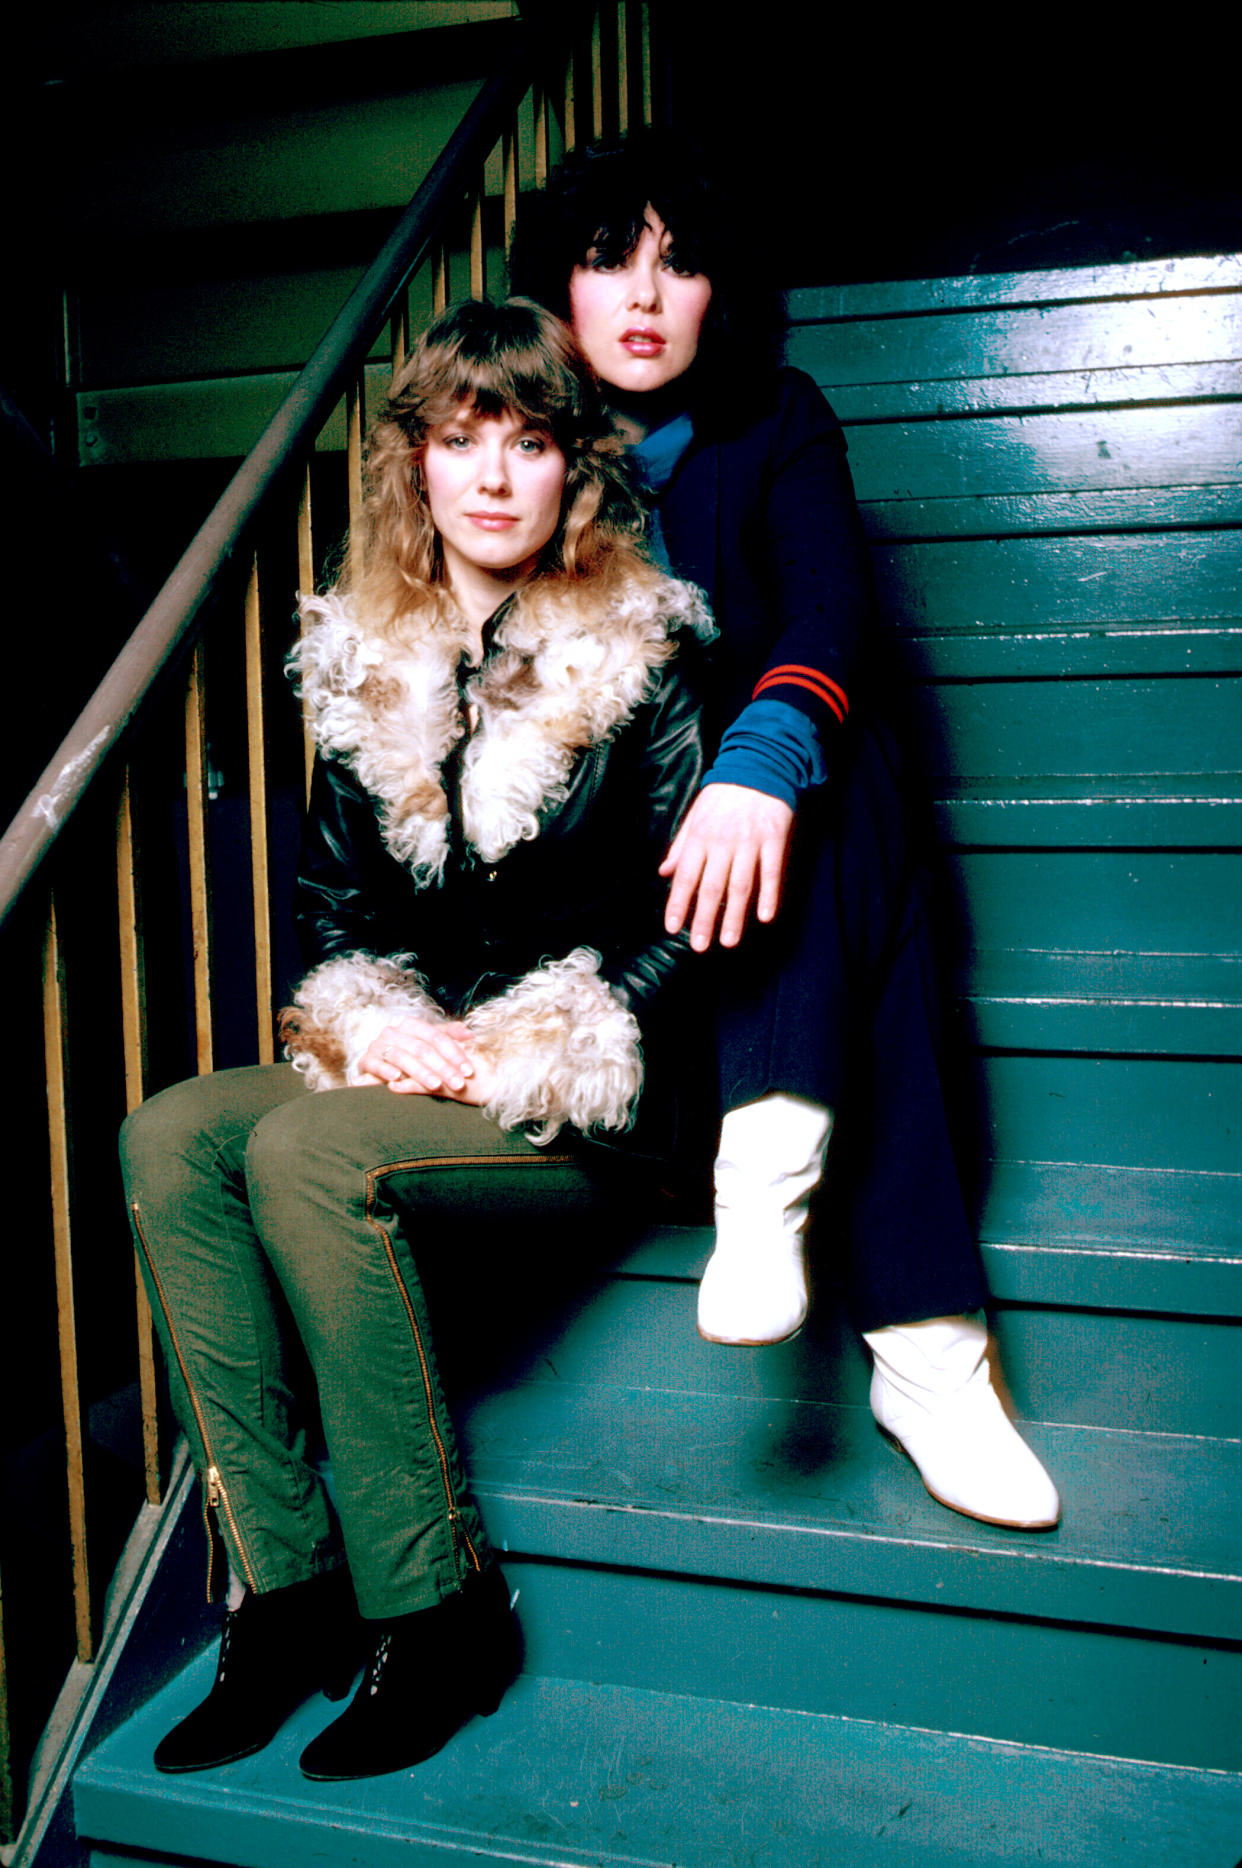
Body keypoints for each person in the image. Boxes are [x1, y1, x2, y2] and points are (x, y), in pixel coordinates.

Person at [119, 298, 710, 1782]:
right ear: (416, 467)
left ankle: (439, 1607)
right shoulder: (366, 659)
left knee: (312, 1150)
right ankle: (290, 1591)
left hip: (600, 1090)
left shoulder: (642, 654)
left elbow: (698, 929)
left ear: (575, 466)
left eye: (527, 440)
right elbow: (331, 916)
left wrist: (529, 1039)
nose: (494, 476)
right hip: (424, 1067)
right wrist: (378, 1025)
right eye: (461, 441)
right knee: (172, 1132)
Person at [514, 135, 1060, 1531]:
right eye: (607, 260)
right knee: (820, 798)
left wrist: (760, 758)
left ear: (720, 295)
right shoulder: (514, 452)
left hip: (776, 863)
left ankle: (773, 1170)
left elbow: (828, 613)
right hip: (630, 914)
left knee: (834, 759)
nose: (643, 296)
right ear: (558, 290)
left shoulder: (776, 421)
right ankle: (931, 1350)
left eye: (679, 264)